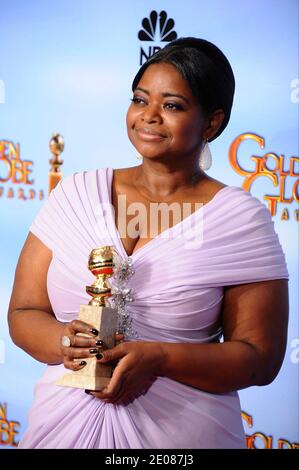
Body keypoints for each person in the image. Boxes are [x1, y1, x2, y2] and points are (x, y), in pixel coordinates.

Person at [8, 37, 289, 449]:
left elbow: (260, 359)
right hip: (62, 426)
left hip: (182, 435)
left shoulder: (240, 219)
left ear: (211, 123)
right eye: (140, 100)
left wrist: (160, 358)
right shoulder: (75, 193)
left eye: (172, 105)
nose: (149, 117)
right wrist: (64, 342)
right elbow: (24, 311)